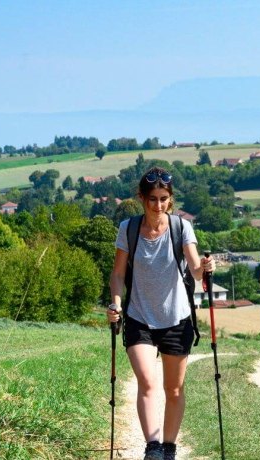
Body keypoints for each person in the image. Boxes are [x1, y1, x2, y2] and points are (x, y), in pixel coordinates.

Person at [107, 167, 214, 460]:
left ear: (170, 199)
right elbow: (117, 274)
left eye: (163, 198)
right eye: (152, 198)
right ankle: (152, 447)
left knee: (174, 389)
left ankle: (169, 447)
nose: (158, 205)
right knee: (148, 382)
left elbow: (194, 269)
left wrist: (204, 269)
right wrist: (116, 302)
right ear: (141, 198)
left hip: (176, 319)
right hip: (139, 318)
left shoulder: (181, 228)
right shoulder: (128, 229)